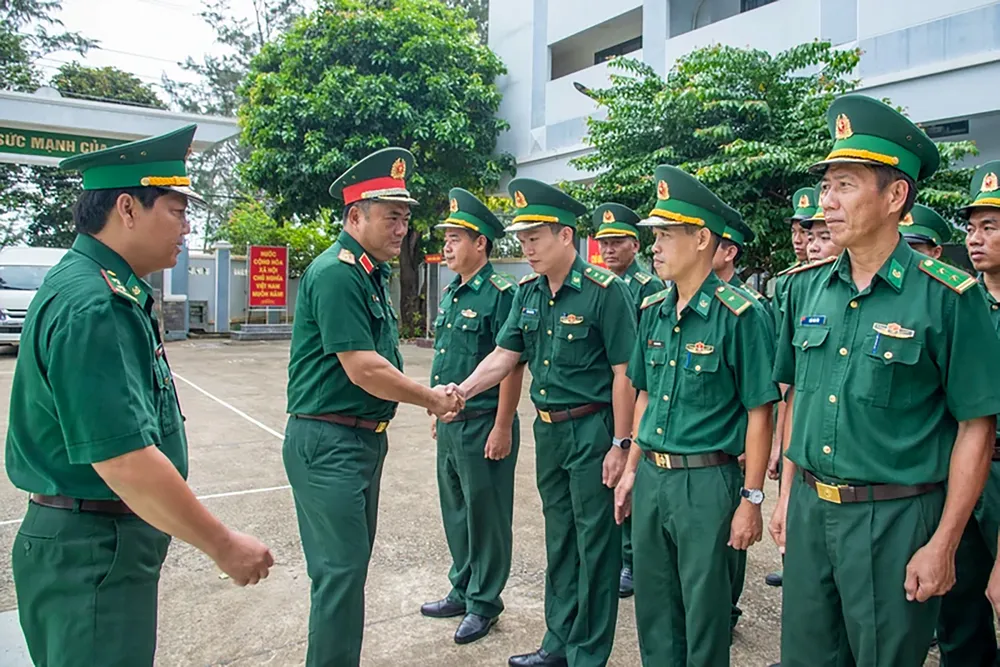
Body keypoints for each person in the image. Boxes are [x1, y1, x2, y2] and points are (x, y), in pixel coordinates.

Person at [6, 124, 274, 667]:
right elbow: (125, 459)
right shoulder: (96, 304)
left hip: (96, 544)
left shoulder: (97, 286)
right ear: (127, 208)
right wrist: (222, 543)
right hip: (94, 551)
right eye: (176, 211)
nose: (186, 227)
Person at [768, 93, 1000, 667]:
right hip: (809, 508)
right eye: (826, 187)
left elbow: (976, 426)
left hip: (895, 519)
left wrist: (944, 543)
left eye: (845, 185)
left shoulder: (949, 297)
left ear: (896, 195)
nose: (828, 203)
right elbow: (794, 396)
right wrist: (784, 496)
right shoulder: (803, 289)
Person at [445, 178, 637, 667]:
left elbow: (624, 376)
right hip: (549, 430)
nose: (526, 248)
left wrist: (620, 443)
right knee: (561, 538)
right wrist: (460, 392)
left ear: (566, 236)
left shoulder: (604, 292)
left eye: (535, 238)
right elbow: (504, 356)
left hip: (594, 429)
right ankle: (557, 642)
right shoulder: (529, 293)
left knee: (596, 542)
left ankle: (588, 653)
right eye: (523, 239)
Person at [283, 147, 464, 667]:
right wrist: (432, 398)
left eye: (405, 217)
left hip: (360, 439)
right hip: (329, 441)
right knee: (339, 575)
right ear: (355, 215)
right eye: (391, 216)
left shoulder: (368, 273)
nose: (402, 227)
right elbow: (364, 367)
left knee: (347, 571)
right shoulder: (337, 273)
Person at [613, 165, 779, 667]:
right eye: (654, 236)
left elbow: (759, 413)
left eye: (665, 235)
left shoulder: (741, 316)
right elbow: (644, 396)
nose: (655, 247)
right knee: (655, 613)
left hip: (707, 483)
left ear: (703, 239)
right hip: (654, 482)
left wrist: (751, 499)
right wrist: (632, 467)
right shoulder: (653, 311)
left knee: (705, 617)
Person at [419, 188, 526, 645]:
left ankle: (485, 603)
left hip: (484, 422)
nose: (447, 246)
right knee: (457, 512)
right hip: (451, 423)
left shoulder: (501, 294)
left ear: (481, 243)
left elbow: (511, 364)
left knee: (487, 517)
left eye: (456, 238)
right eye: (446, 238)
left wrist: (503, 425)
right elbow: (444, 358)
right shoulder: (452, 293)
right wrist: (432, 407)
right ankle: (462, 587)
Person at [938, 162, 1000, 665]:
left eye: (991, 226)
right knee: (959, 607)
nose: (975, 239)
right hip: (962, 466)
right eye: (972, 227)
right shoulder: (957, 301)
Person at [592, 201, 665, 599]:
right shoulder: (602, 285)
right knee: (611, 479)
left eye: (618, 242)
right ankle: (620, 555)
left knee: (632, 477)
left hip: (639, 394)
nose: (609, 250)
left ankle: (633, 559)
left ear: (635, 246)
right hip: (608, 395)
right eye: (604, 243)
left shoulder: (648, 288)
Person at [763, 186, 818, 590]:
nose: (806, 242)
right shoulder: (790, 285)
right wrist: (777, 444)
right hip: (797, 418)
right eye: (802, 232)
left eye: (815, 233)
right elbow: (788, 380)